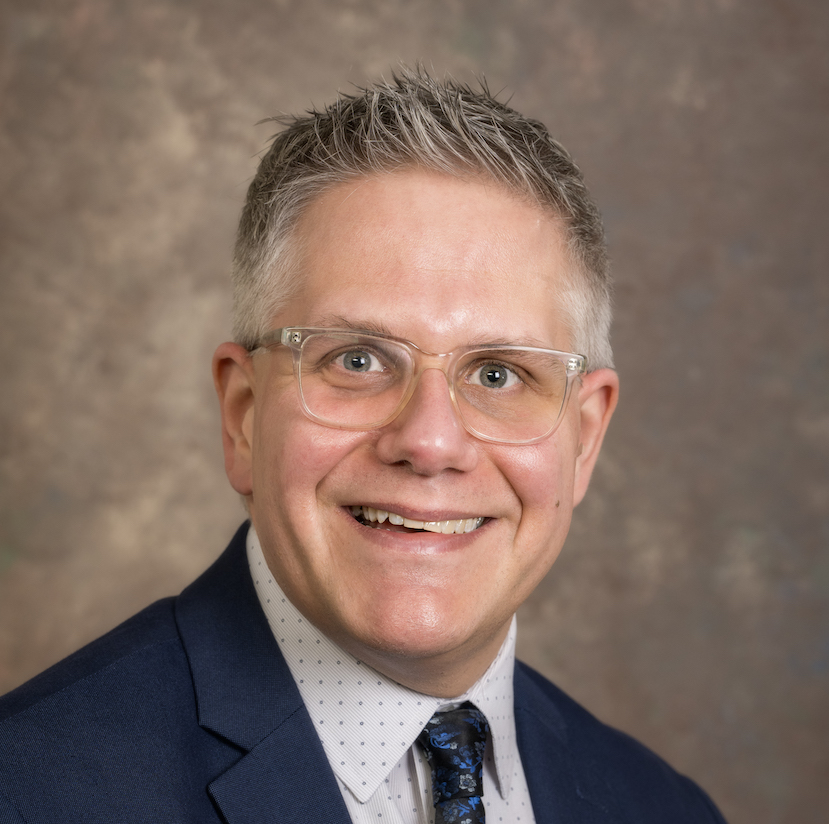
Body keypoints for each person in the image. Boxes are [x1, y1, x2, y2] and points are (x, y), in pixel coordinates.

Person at [0, 69, 727, 823]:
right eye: (357, 360)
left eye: (498, 373)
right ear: (243, 414)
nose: (430, 442)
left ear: (584, 438)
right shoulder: (28, 791)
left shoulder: (661, 807)